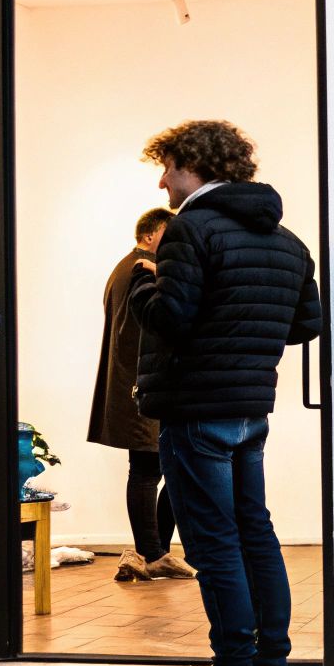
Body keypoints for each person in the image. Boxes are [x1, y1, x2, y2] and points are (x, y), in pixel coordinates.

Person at [127, 120, 322, 666]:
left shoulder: (191, 229)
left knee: (213, 548)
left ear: (195, 165)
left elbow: (174, 317)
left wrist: (143, 287)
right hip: (248, 412)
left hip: (195, 411)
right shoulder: (287, 241)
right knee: (256, 537)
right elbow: (304, 323)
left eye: (168, 167)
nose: (162, 181)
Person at [87, 207, 195, 582]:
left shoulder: (126, 267)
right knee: (152, 470)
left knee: (165, 468)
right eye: (171, 234)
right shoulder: (139, 267)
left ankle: (153, 550)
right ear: (152, 235)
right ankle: (152, 552)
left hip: (137, 381)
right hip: (143, 383)